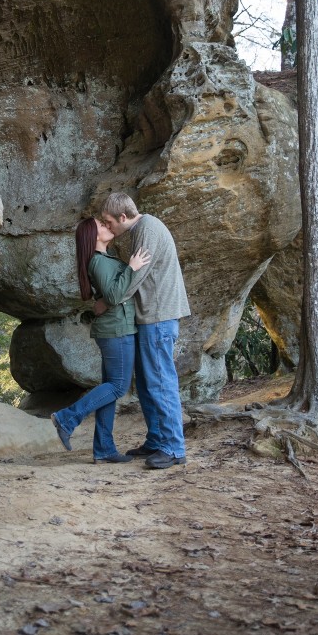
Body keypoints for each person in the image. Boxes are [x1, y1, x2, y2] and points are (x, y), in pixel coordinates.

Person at [99, 192, 189, 471]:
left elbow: (135, 276)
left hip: (158, 317)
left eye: (109, 221)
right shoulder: (142, 229)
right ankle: (157, 439)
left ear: (123, 217)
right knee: (149, 384)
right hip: (151, 317)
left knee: (161, 382)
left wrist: (111, 297)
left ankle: (173, 448)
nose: (108, 227)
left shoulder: (147, 229)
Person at [50, 217, 150, 464]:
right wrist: (132, 267)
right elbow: (115, 296)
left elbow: (109, 296)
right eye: (101, 226)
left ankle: (104, 449)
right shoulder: (98, 261)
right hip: (116, 331)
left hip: (115, 329)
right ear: (92, 236)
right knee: (117, 386)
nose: (107, 227)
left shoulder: (103, 259)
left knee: (111, 389)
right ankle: (67, 418)